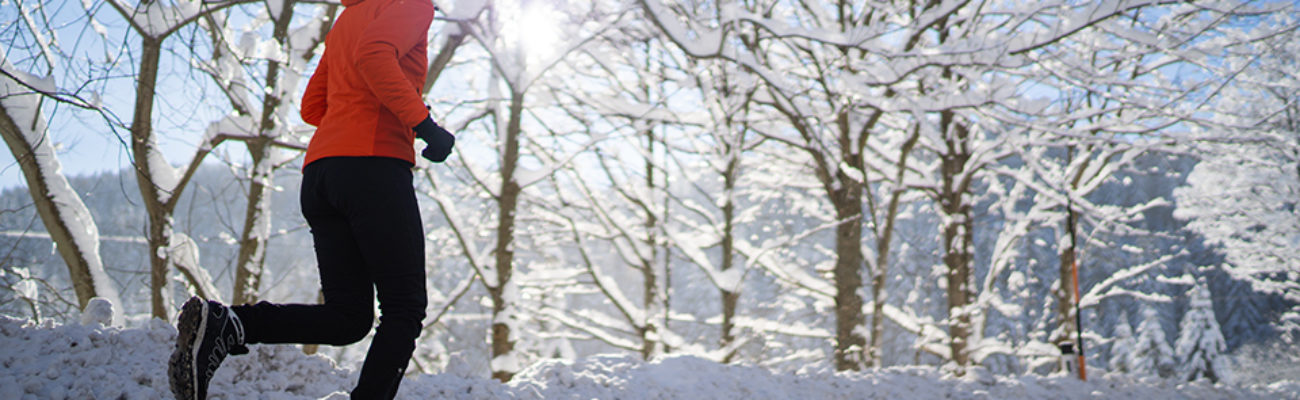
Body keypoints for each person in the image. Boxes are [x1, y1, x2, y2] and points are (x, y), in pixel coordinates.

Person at [167, 0, 454, 398]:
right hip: (373, 169)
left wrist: (357, 111)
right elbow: (374, 58)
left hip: (321, 174)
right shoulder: (411, 5)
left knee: (348, 319)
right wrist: (424, 124)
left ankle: (229, 323)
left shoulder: (349, 16)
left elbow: (312, 106)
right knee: (404, 309)